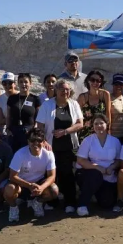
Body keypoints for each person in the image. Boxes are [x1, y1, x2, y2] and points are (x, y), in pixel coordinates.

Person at [37, 79, 84, 214]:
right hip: (50, 147)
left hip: (68, 146)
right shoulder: (47, 105)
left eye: (67, 89)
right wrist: (43, 141)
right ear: (56, 90)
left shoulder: (74, 104)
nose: (65, 92)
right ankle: (51, 201)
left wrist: (65, 131)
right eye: (62, 89)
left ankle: (70, 202)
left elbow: (80, 124)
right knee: (51, 175)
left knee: (67, 174)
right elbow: (40, 126)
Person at [3, 127, 59, 223]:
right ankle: (13, 207)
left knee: (54, 190)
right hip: (21, 184)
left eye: (39, 140)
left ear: (43, 142)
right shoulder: (20, 154)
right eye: (32, 140)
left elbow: (52, 176)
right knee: (9, 189)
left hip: (38, 183)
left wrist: (41, 187)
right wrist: (29, 185)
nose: (35, 143)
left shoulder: (49, 154)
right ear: (28, 141)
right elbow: (12, 176)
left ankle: (37, 203)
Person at [75, 114, 122, 215]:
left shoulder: (115, 141)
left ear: (107, 124)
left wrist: (112, 167)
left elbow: (119, 160)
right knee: (95, 174)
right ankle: (82, 205)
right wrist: (97, 167)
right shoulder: (88, 140)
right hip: (91, 174)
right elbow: (80, 160)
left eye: (101, 123)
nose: (98, 126)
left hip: (108, 176)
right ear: (93, 126)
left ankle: (95, 193)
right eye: (96, 124)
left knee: (107, 203)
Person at [6, 73, 41, 151]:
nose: (23, 84)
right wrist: (7, 129)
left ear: (30, 83)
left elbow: (38, 118)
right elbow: (8, 116)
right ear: (18, 84)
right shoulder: (12, 98)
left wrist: (34, 132)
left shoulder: (35, 99)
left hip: (28, 133)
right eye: (21, 82)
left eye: (26, 82)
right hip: (13, 133)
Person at [78, 70, 111, 139]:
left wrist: (108, 129)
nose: (95, 82)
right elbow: (77, 116)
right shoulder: (82, 97)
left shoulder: (105, 94)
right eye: (92, 80)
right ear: (88, 81)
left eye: (98, 80)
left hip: (101, 131)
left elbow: (108, 113)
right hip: (86, 132)